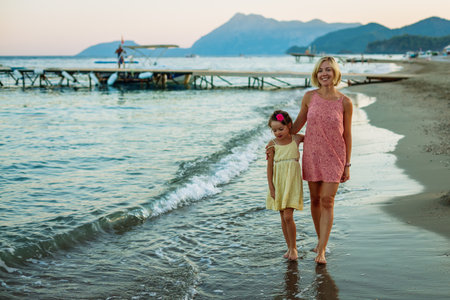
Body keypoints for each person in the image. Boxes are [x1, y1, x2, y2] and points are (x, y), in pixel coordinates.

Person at [291, 56, 353, 264]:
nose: (324, 73)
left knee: (328, 200)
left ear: (335, 73)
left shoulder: (345, 102)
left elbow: (348, 135)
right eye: (320, 70)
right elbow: (298, 124)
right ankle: (320, 239)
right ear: (316, 75)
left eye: (328, 70)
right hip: (312, 154)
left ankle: (322, 250)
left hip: (335, 156)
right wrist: (278, 138)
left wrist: (347, 164)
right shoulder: (309, 97)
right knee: (316, 200)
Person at [266, 110, 305, 261]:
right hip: (279, 182)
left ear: (289, 125)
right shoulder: (272, 144)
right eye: (274, 130)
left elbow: (315, 139)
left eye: (280, 129)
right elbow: (269, 168)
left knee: (288, 216)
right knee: (283, 216)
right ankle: (289, 247)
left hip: (292, 181)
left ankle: (294, 248)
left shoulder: (296, 139)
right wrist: (271, 188)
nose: (277, 133)